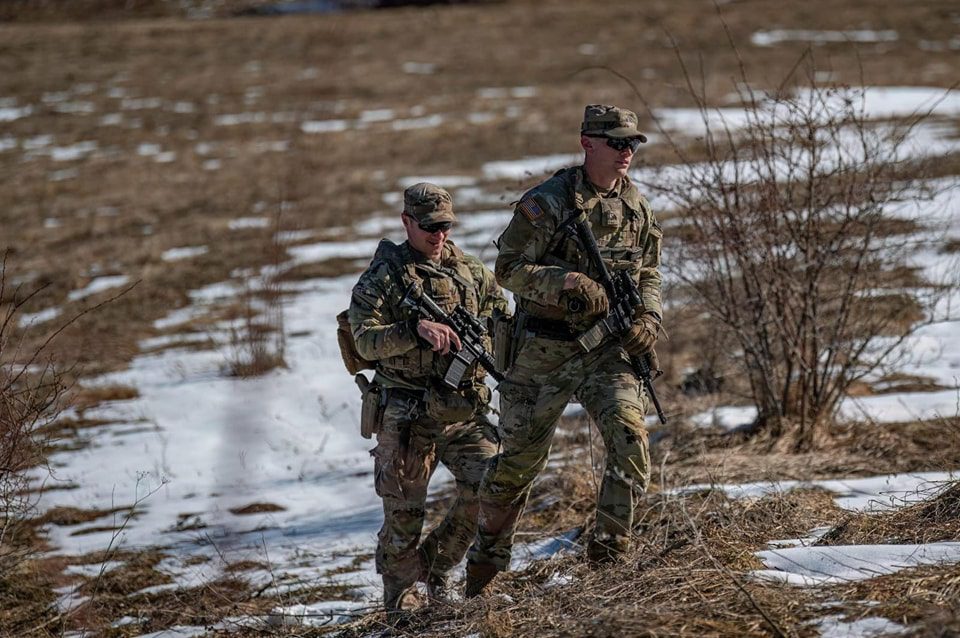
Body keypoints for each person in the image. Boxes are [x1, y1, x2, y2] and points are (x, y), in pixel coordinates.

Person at [465, 104, 663, 596]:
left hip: (607, 351)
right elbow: (507, 269)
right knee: (518, 467)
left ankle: (607, 564)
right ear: (587, 143)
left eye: (632, 144)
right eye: (616, 142)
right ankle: (484, 575)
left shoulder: (636, 207)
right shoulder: (549, 202)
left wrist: (649, 318)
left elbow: (650, 272)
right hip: (543, 351)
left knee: (630, 437)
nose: (626, 152)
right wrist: (566, 281)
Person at [348, 183, 507, 619]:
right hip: (407, 414)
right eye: (429, 226)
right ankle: (401, 606)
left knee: (497, 484)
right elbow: (363, 342)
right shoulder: (383, 278)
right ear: (406, 222)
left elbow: (502, 316)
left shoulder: (470, 271)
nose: (438, 235)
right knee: (403, 519)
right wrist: (413, 330)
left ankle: (436, 565)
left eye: (445, 226)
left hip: (462, 410)